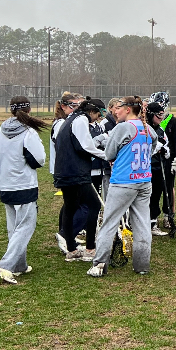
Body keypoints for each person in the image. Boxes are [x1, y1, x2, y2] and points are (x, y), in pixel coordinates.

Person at [87, 96, 154, 277]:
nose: (115, 111)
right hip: (144, 181)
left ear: (127, 109)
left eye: (119, 108)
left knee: (109, 222)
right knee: (142, 224)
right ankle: (142, 265)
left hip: (123, 182)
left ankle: (100, 263)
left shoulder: (123, 128)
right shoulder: (148, 129)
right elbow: (152, 149)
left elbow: (109, 153)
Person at [0, 96, 48, 284]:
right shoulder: (28, 131)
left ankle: (19, 265)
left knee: (14, 227)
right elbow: (39, 159)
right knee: (26, 226)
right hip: (23, 184)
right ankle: (6, 264)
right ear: (29, 109)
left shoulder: (1, 129)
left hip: (5, 184)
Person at [53, 96, 108, 262]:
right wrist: (107, 156)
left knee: (71, 206)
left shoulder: (71, 118)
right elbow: (85, 146)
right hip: (75, 172)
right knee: (94, 204)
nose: (99, 118)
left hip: (64, 170)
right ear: (93, 111)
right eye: (99, 114)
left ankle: (71, 249)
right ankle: (91, 248)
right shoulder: (81, 119)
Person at [49, 92, 83, 254]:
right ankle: (65, 236)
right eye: (74, 106)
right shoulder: (61, 123)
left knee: (70, 204)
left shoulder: (68, 121)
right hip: (64, 169)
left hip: (67, 168)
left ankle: (67, 234)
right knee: (74, 204)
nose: (77, 110)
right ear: (63, 107)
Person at [147, 92, 176, 235]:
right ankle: (151, 221)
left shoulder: (170, 121)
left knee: (168, 188)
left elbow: (174, 142)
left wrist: (175, 158)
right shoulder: (147, 124)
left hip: (165, 162)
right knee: (153, 193)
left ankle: (168, 216)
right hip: (152, 164)